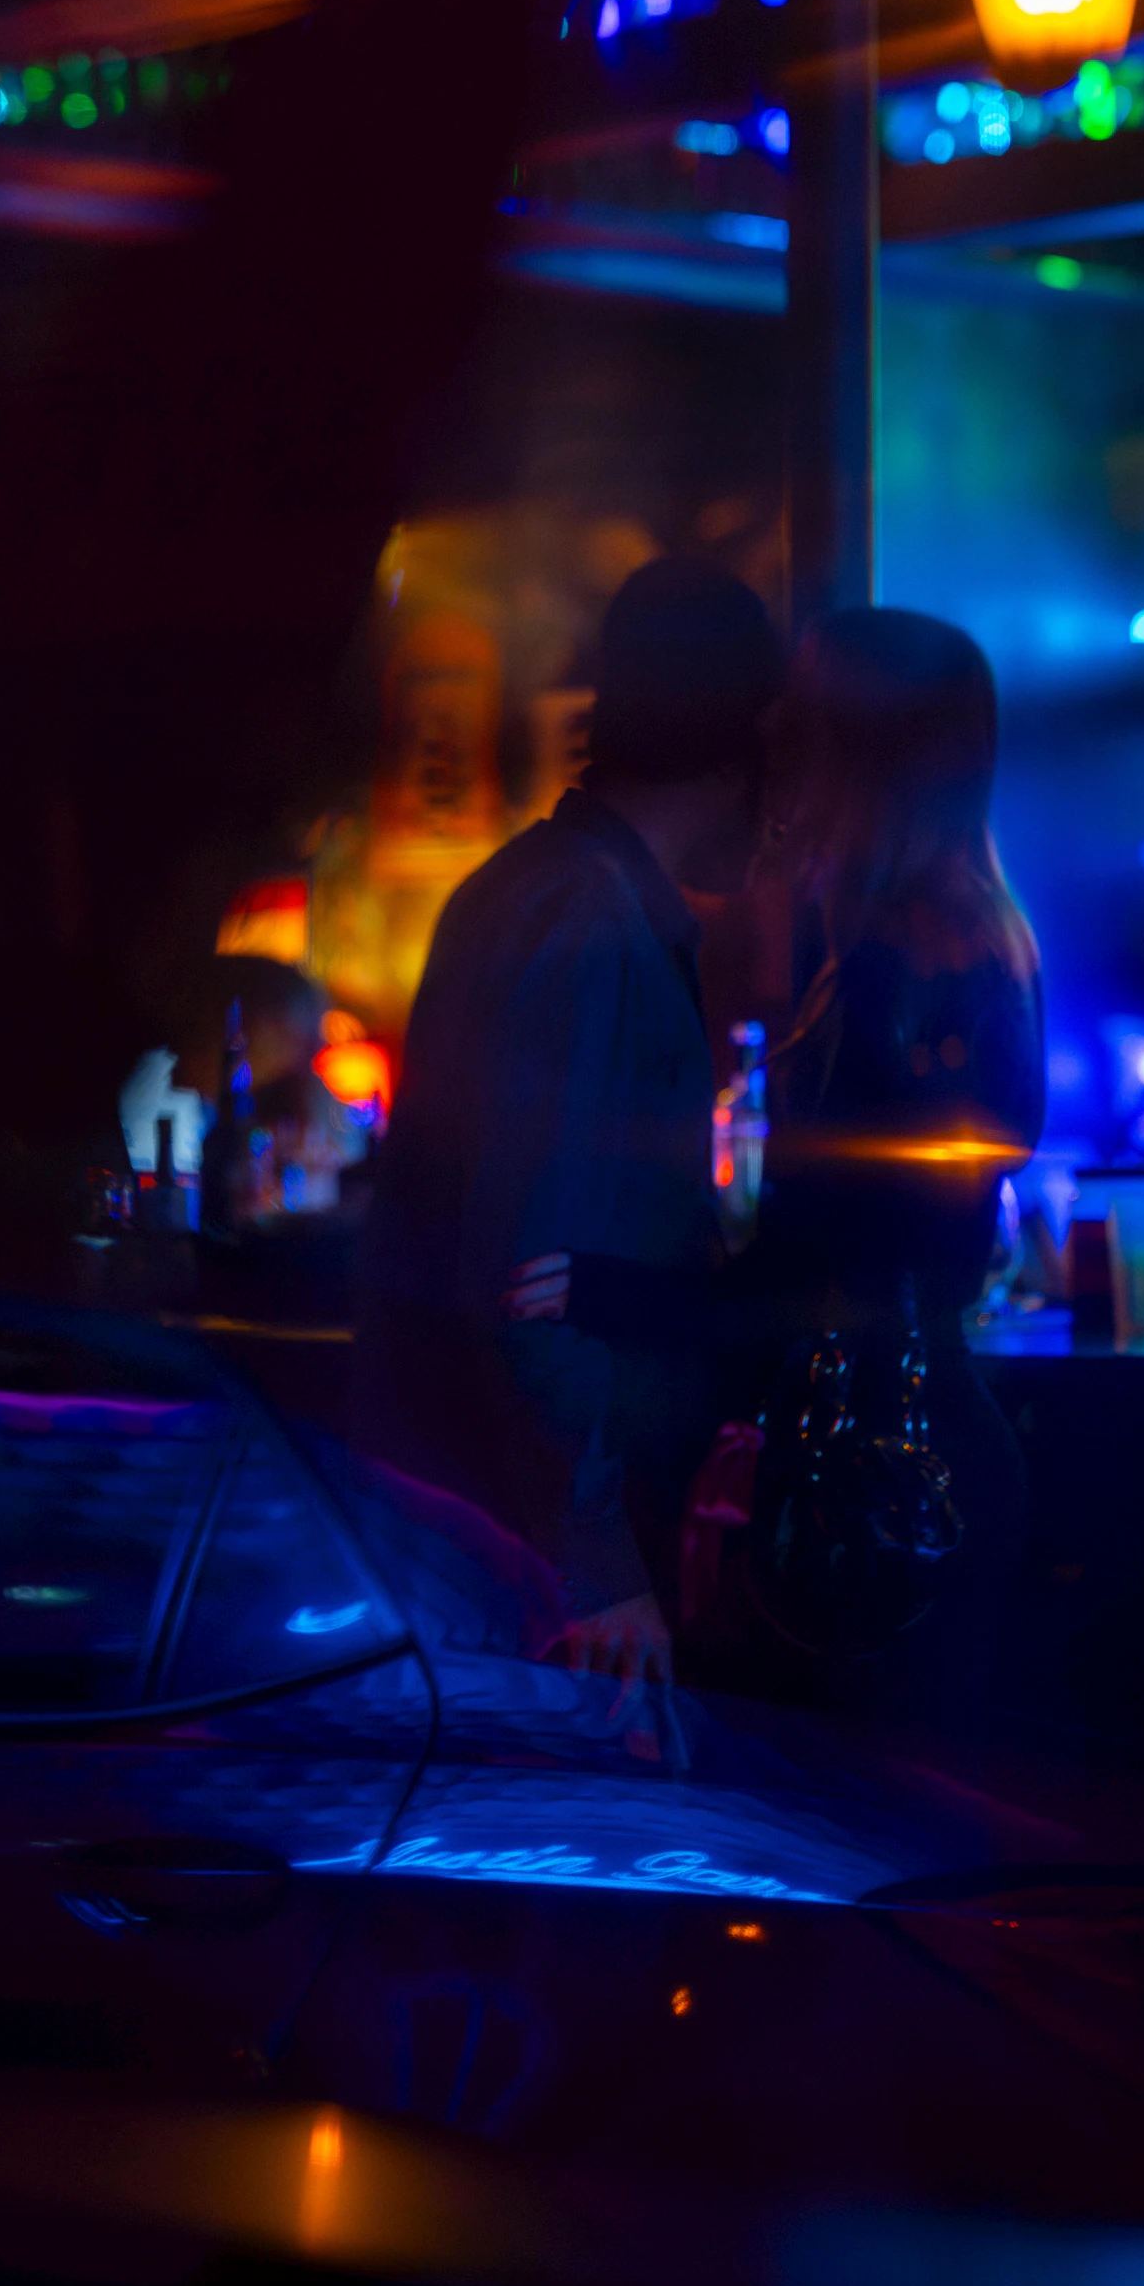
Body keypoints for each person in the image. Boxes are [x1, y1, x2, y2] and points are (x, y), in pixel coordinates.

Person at [508, 608, 1045, 1724]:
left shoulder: (887, 979)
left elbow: (816, 1285)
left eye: (796, 722)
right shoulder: (972, 944)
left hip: (872, 1491)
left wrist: (604, 1287)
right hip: (925, 1455)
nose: (768, 747)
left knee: (850, 1841)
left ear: (855, 752)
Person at [354, 557, 783, 1687]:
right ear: (741, 753)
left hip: (486, 1526)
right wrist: (599, 1561)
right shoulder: (593, 925)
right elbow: (529, 1278)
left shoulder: (525, 888)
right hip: (541, 1559)